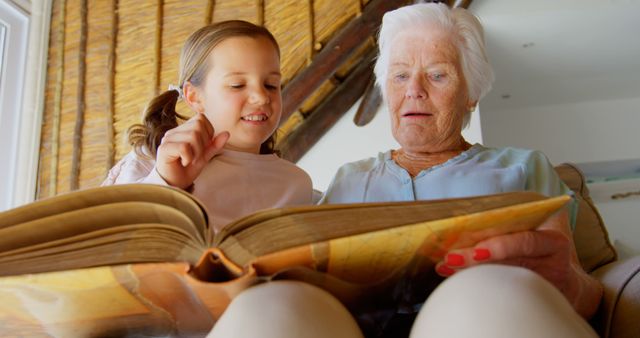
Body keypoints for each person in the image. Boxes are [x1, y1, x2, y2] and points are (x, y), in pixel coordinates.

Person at [208, 3, 602, 338]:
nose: (414, 89)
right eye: (399, 75)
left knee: (479, 293)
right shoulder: (348, 178)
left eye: (437, 74)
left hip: (482, 319)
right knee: (267, 305)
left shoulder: (522, 167)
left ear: (471, 93)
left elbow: (583, 288)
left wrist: (566, 284)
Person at [102, 20, 313, 232]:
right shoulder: (152, 159)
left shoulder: (296, 185)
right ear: (194, 96)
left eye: (271, 85)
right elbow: (105, 243)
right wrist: (168, 182)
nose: (261, 97)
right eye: (237, 85)